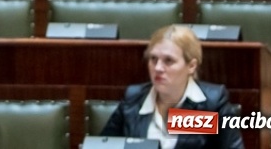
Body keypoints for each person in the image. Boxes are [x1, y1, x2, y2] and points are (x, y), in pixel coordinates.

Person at [101, 25, 243, 148]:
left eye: (168, 61)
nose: (158, 68)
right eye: (153, 59)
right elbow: (103, 145)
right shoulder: (134, 98)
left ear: (191, 66)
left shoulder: (212, 104)